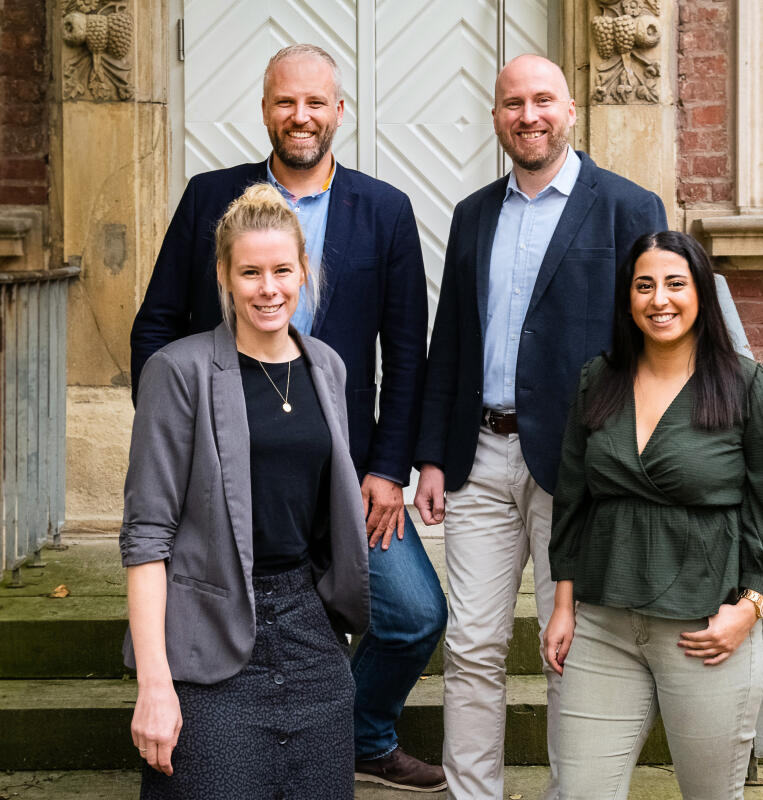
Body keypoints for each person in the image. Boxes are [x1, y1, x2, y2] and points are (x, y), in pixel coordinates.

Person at [130, 44, 447, 791]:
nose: (299, 116)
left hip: (342, 474)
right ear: (266, 110)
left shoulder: (385, 210)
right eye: (284, 102)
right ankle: (212, 720)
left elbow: (407, 354)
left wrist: (386, 469)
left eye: (314, 102)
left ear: (339, 111)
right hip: (224, 471)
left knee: (413, 612)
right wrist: (178, 434)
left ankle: (362, 734)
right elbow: (155, 325)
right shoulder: (211, 197)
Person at [413, 54, 667, 800]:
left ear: (571, 109)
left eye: (543, 100)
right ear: (496, 116)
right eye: (513, 103)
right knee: (472, 645)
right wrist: (433, 456)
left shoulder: (628, 208)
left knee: (573, 650)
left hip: (581, 468)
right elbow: (450, 340)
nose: (529, 116)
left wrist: (631, 457)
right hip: (479, 457)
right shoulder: (473, 214)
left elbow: (655, 342)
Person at [543, 231, 763, 800]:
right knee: (580, 791)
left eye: (674, 284)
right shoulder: (598, 379)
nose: (659, 299)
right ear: (628, 298)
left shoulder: (747, 387)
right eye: (644, 286)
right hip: (604, 626)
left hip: (703, 630)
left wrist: (749, 610)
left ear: (700, 294)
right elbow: (573, 500)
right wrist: (564, 607)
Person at [121, 183, 369, 798]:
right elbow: (147, 537)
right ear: (224, 276)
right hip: (207, 640)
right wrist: (155, 684)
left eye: (282, 270)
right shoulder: (177, 372)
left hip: (309, 639)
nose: (268, 289)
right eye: (250, 272)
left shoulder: (327, 368)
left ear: (303, 270)